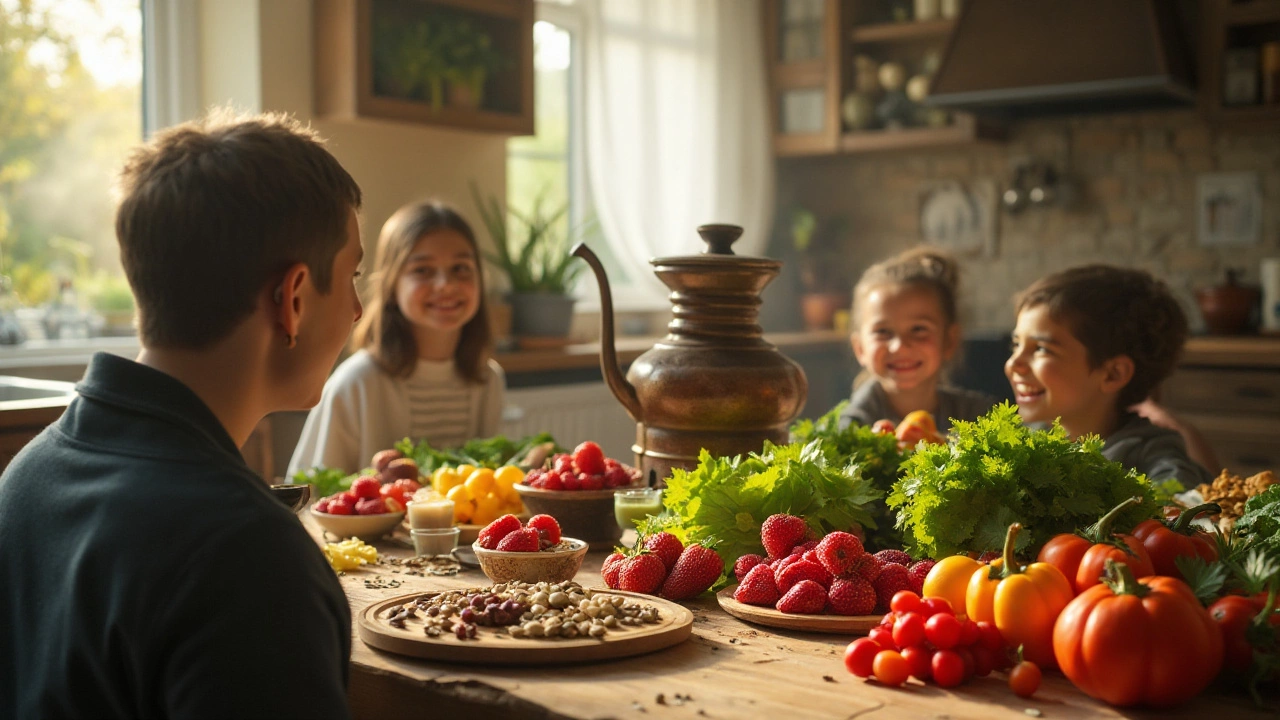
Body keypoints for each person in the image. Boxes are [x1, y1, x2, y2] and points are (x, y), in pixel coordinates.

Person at [0, 110, 362, 720]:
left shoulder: (26, 477)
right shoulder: (249, 558)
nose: (356, 310)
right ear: (293, 299)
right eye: (352, 276)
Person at [288, 200, 504, 476]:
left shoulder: (488, 379)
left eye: (460, 268)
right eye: (422, 270)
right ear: (392, 283)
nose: (446, 285)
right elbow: (313, 493)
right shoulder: (357, 382)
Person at [1006, 264, 1213, 485]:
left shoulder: (1157, 462)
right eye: (1016, 344)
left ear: (1113, 375)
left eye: (1041, 349)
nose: (1014, 364)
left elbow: (1183, 510)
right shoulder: (1020, 442)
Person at [838, 246, 995, 432]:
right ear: (860, 348)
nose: (900, 347)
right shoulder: (852, 429)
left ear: (949, 341)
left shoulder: (980, 416)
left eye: (918, 329)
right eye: (883, 332)